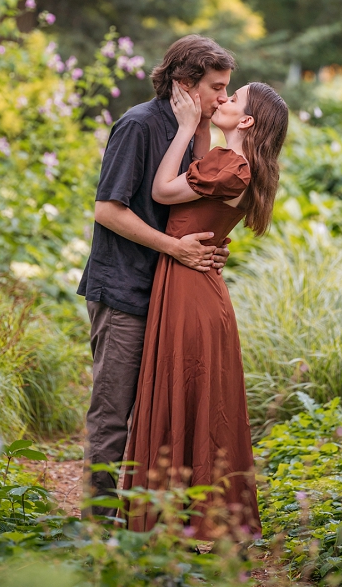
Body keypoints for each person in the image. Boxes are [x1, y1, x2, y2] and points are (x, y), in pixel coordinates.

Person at [77, 35, 237, 516]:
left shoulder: (196, 133)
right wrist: (176, 249)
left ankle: (148, 518)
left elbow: (188, 215)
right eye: (217, 88)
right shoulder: (139, 126)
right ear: (185, 85)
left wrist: (207, 249)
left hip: (171, 294)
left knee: (158, 411)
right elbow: (107, 209)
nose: (224, 99)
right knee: (113, 413)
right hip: (125, 291)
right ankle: (100, 521)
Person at [123, 80, 289, 540]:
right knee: (196, 397)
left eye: (233, 99)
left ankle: (176, 521)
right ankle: (189, 517)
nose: (224, 100)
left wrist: (184, 125)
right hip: (196, 283)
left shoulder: (229, 165)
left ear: (248, 120)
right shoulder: (240, 164)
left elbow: (161, 192)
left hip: (189, 288)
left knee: (183, 391)